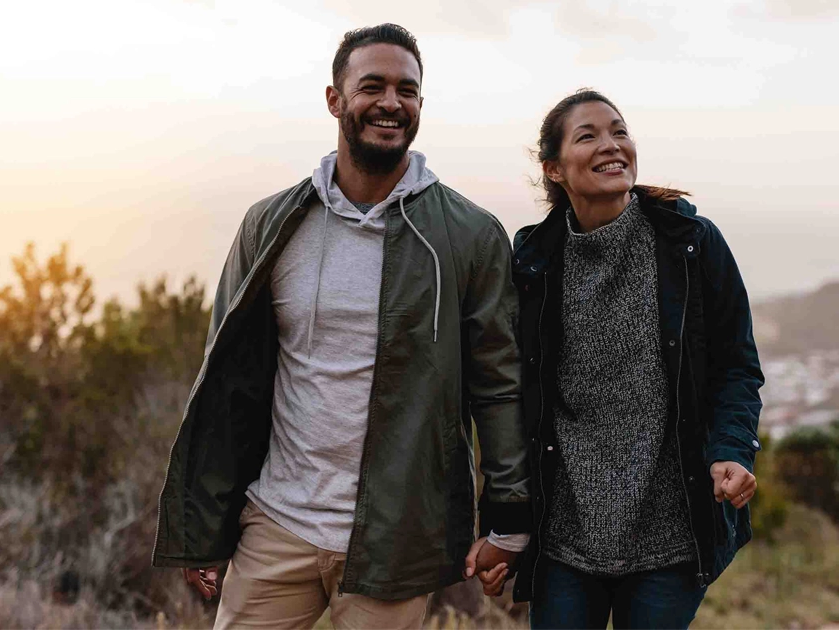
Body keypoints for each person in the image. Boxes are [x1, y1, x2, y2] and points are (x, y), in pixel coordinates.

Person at [151, 24, 531, 629]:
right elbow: (225, 383)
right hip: (276, 525)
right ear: (335, 99)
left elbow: (498, 385)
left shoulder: (469, 236)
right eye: (372, 86)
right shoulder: (270, 225)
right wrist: (206, 524)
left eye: (407, 90)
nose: (391, 102)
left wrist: (508, 518)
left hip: (395, 539)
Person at [482, 89, 765, 629]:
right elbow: (511, 399)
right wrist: (505, 525)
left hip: (671, 539)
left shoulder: (692, 244)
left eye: (619, 131)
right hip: (564, 539)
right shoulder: (533, 263)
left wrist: (732, 451)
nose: (612, 145)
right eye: (588, 136)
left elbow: (736, 366)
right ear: (554, 168)